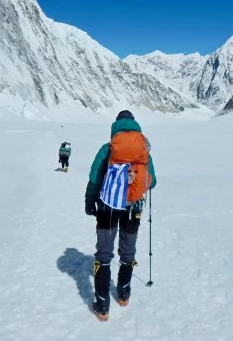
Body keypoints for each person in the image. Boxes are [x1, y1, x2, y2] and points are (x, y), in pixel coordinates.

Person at [84, 110, 157, 321]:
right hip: (133, 207)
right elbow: (152, 181)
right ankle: (124, 293)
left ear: (116, 127)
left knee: (104, 255)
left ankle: (102, 305)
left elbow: (94, 177)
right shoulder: (144, 151)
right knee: (128, 251)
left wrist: (90, 200)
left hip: (107, 207)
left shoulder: (108, 149)